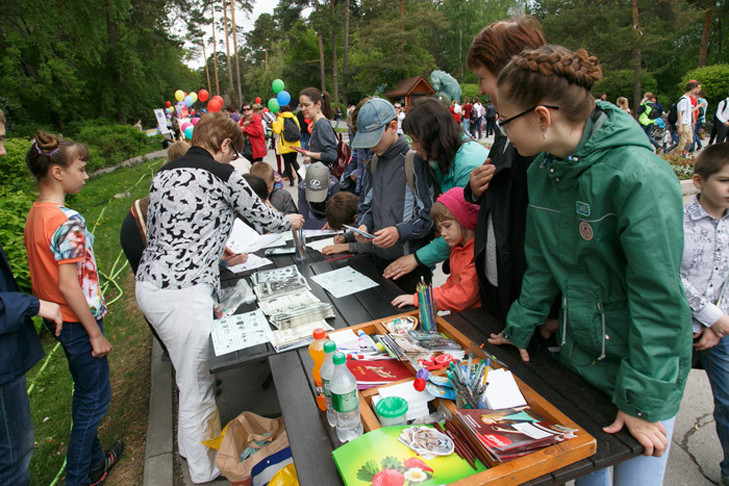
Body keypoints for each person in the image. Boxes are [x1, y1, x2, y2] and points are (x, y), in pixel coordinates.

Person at [488, 45, 691, 485]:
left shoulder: (640, 176)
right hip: (581, 361)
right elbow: (541, 264)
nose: (501, 134)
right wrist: (519, 327)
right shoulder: (544, 170)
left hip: (643, 375)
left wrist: (641, 402)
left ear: (542, 117)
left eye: (504, 121)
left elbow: (658, 300)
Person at [135, 112, 303, 483]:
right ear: (224, 145)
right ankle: (203, 468)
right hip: (182, 294)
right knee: (197, 385)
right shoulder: (223, 175)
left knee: (187, 377)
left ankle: (188, 445)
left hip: (151, 285)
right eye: (232, 152)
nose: (232, 160)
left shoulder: (163, 174)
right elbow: (264, 219)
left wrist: (216, 248)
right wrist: (291, 220)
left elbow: (181, 226)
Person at [24, 131, 124, 486]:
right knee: (94, 402)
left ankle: (95, 465)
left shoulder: (37, 214)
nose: (85, 175)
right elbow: (69, 284)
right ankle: (79, 477)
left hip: (62, 322)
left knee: (85, 395)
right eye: (81, 168)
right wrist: (95, 333)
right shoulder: (69, 220)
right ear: (57, 173)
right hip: (79, 323)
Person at [465, 16, 546, 323]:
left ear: (509, 72)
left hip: (532, 311)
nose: (481, 87)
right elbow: (497, 194)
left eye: (483, 76)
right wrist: (474, 189)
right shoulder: (507, 130)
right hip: (500, 296)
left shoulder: (545, 145)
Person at [0, 109, 64, 486]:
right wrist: (33, 304)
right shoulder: (60, 218)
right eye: (0, 139)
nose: (4, 152)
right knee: (13, 456)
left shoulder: (38, 213)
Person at [381, 97, 488, 282]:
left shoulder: (468, 163)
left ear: (433, 137)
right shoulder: (440, 159)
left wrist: (415, 258)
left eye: (416, 141)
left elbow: (461, 229)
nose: (413, 147)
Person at [680, 143, 729, 486]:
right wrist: (708, 314)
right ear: (698, 180)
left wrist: (720, 320)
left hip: (722, 329)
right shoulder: (677, 221)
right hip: (677, 326)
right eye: (725, 181)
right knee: (657, 403)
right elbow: (668, 273)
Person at [351, 97, 435, 293]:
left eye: (375, 139)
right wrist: (363, 225)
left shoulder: (414, 160)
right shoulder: (374, 162)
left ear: (392, 126)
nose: (371, 147)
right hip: (378, 260)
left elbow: (428, 216)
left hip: (410, 267)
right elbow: (366, 206)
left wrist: (399, 232)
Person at [391, 187, 480, 312]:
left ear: (464, 220)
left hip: (474, 317)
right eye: (439, 228)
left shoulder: (475, 254)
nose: (442, 233)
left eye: (447, 226)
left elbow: (463, 296)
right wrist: (433, 300)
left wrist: (423, 299)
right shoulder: (458, 246)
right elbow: (453, 283)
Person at [295, 88, 338, 167]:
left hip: (323, 175)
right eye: (301, 106)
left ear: (318, 104)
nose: (303, 109)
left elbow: (332, 155)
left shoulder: (321, 124)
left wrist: (309, 153)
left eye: (306, 105)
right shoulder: (317, 123)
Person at [299, 162, 340, 229]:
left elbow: (336, 207)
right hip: (313, 211)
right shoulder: (302, 186)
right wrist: (302, 221)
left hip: (328, 212)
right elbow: (302, 204)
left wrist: (332, 221)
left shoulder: (334, 184)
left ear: (329, 182)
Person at [271, 104, 302, 186]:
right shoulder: (294, 117)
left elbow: (277, 131)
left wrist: (274, 124)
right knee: (294, 161)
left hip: (285, 144)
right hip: (295, 143)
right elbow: (298, 128)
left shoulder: (280, 118)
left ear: (281, 110)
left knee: (287, 162)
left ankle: (291, 180)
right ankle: (300, 177)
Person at [671, 80, 702, 157]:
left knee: (690, 141)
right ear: (693, 88)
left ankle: (671, 154)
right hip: (683, 123)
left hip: (688, 123)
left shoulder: (688, 99)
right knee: (683, 141)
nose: (699, 90)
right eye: (698, 88)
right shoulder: (684, 99)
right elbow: (680, 113)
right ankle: (677, 158)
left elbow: (689, 112)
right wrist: (680, 126)